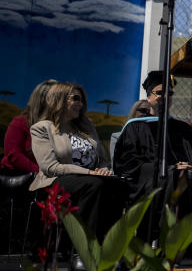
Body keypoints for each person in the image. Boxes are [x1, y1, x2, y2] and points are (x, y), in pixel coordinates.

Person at [113, 71, 192, 249]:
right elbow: (126, 163)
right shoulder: (135, 127)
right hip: (149, 181)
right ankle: (163, 240)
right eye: (160, 92)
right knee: (172, 176)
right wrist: (170, 167)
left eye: (170, 93)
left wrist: (191, 167)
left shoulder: (183, 129)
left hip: (187, 178)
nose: (166, 96)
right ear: (149, 97)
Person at [29, 83, 127, 244]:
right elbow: (51, 167)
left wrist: (104, 170)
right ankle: (82, 249)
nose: (80, 104)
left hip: (92, 178)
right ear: (59, 99)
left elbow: (101, 158)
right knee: (93, 185)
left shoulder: (86, 125)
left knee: (118, 185)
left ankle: (110, 245)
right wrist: (89, 173)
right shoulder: (41, 128)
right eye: (76, 99)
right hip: (54, 180)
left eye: (82, 100)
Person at [2, 79, 57, 174]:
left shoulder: (59, 127)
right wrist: (43, 174)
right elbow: (14, 155)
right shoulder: (20, 122)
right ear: (43, 100)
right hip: (19, 176)